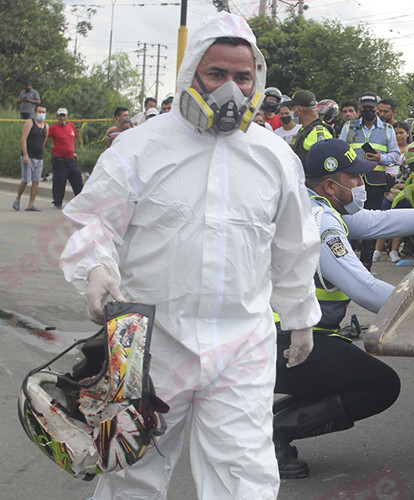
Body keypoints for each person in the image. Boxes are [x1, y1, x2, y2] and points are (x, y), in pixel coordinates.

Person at [57, 12, 322, 499]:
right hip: (149, 343)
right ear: (191, 74)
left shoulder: (274, 156)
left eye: (243, 77)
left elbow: (293, 243)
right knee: (132, 469)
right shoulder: (139, 148)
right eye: (217, 74)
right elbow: (94, 221)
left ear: (257, 81)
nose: (231, 89)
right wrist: (95, 267)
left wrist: (300, 316)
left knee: (245, 474)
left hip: (242, 344)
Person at [273, 138, 414, 479]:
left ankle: (262, 424)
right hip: (285, 342)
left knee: (350, 367)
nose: (361, 185)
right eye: (354, 178)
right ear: (331, 184)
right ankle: (275, 434)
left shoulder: (313, 203)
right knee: (381, 385)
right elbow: (364, 288)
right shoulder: (319, 221)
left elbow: (376, 221)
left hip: (286, 336)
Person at [339, 91, 401, 270]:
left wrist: (380, 158)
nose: (368, 110)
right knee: (348, 219)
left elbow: (396, 154)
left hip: (375, 181)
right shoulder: (349, 127)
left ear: (377, 108)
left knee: (371, 222)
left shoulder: (388, 129)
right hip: (351, 181)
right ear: (360, 109)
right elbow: (341, 148)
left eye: (371, 108)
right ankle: (347, 262)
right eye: (364, 107)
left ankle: (366, 264)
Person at [373, 120, 410, 263]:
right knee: (383, 217)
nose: (398, 136)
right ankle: (377, 250)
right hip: (386, 186)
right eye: (395, 133)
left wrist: (404, 185)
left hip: (402, 188)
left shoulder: (411, 150)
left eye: (401, 132)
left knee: (400, 218)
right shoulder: (386, 150)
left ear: (407, 134)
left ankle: (394, 250)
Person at [45, 108, 83, 209]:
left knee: (77, 178)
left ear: (67, 116)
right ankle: (58, 202)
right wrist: (51, 149)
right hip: (59, 159)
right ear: (57, 117)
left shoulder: (71, 126)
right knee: (59, 182)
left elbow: (73, 140)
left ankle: (81, 201)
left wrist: (73, 152)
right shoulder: (53, 128)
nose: (62, 118)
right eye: (60, 116)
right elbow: (44, 139)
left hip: (71, 159)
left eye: (64, 116)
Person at [14, 103, 48, 212]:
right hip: (28, 156)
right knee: (25, 180)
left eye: (43, 112)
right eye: (39, 112)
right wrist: (25, 154)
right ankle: (18, 198)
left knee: (36, 181)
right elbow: (23, 138)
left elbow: (44, 141)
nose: (41, 114)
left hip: (39, 157)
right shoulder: (30, 123)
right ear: (35, 113)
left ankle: (31, 204)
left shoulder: (46, 126)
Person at [288, 89, 335, 164]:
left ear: (299, 110)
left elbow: (323, 165)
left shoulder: (318, 133)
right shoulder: (305, 129)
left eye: (292, 109)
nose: (291, 112)